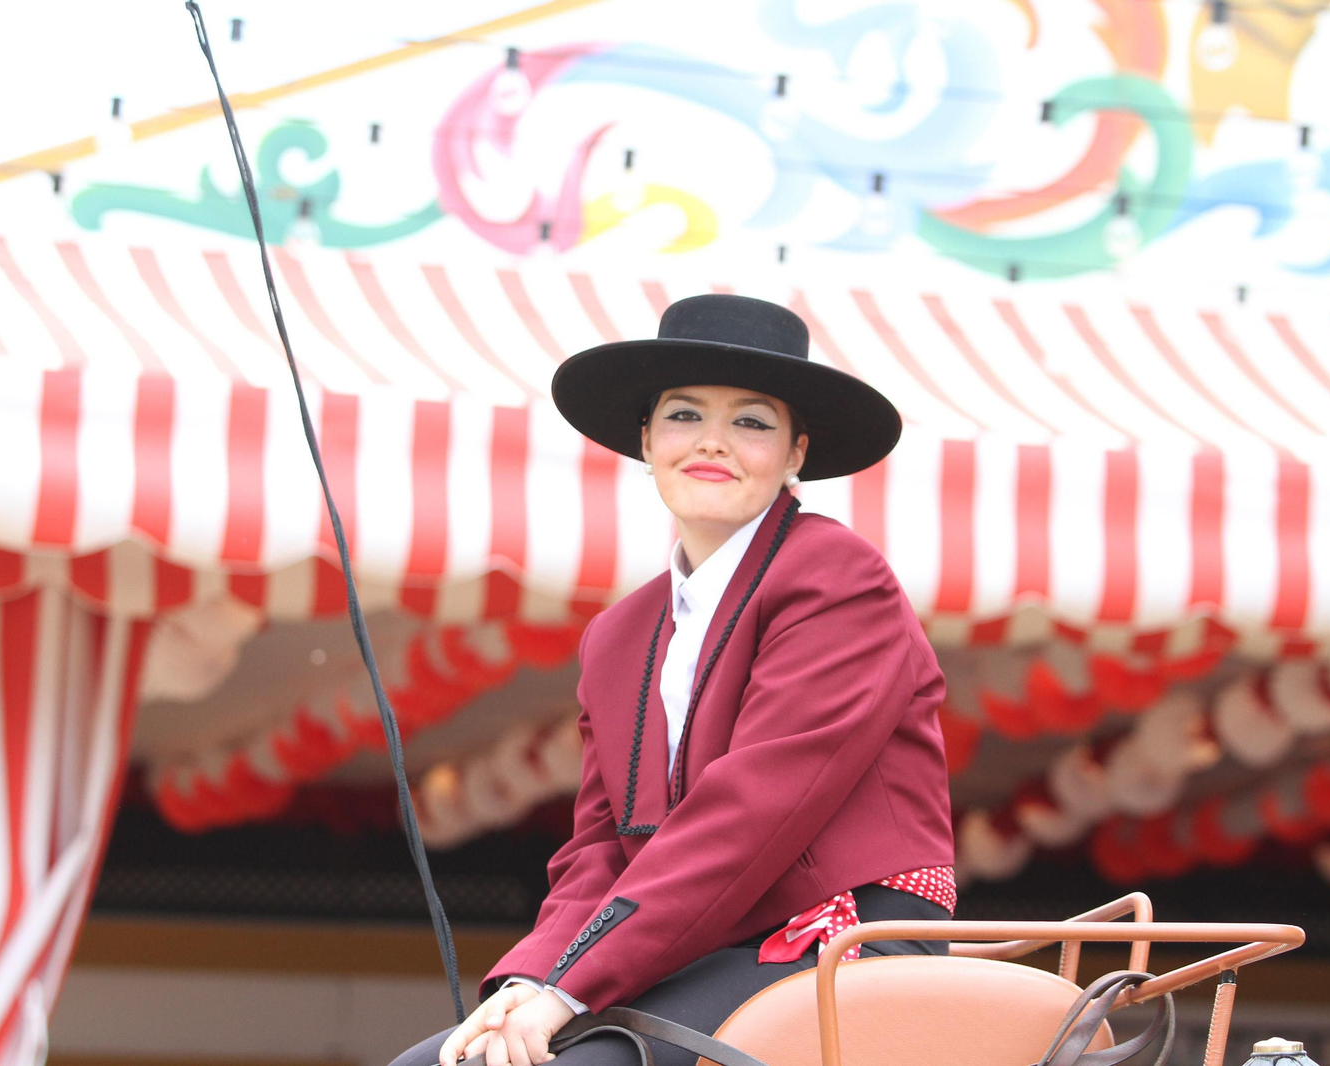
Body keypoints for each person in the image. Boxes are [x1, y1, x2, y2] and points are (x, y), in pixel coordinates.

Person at [390, 294, 955, 1066]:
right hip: (688, 947)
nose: (712, 441)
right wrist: (532, 977)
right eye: (684, 415)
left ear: (795, 452)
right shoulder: (619, 635)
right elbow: (599, 847)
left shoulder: (837, 577)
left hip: (838, 939)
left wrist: (570, 987)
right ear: (647, 439)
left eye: (751, 422)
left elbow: (751, 814)